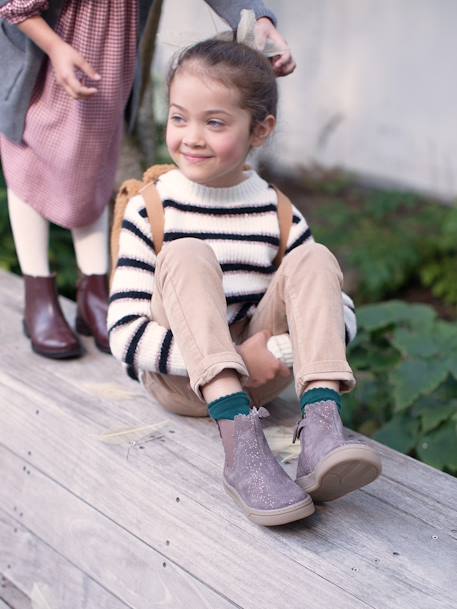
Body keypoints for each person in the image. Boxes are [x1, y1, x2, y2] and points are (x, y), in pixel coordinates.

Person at [108, 36, 382, 526]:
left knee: (314, 260)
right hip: (179, 382)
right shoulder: (149, 207)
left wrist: (276, 354)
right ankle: (243, 450)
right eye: (178, 117)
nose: (191, 137)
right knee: (187, 253)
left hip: (264, 378)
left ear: (260, 130)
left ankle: (321, 427)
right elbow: (124, 332)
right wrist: (236, 362)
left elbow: (334, 310)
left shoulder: (277, 213)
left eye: (214, 122)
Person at [0, 0, 293, 360]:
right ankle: (38, 291)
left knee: (94, 161)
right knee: (30, 156)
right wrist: (56, 48)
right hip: (44, 53)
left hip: (108, 53)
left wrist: (258, 19)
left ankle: (94, 286)